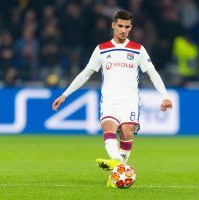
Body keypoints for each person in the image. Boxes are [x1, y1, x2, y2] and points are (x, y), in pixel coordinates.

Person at [51, 10, 172, 187]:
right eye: (120, 26)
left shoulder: (138, 50)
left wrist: (165, 96)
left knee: (127, 131)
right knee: (108, 126)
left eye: (127, 27)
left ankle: (115, 173)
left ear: (131, 28)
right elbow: (86, 73)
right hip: (109, 99)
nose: (123, 30)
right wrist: (65, 94)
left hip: (129, 99)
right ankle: (118, 164)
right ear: (113, 25)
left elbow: (152, 73)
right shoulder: (101, 49)